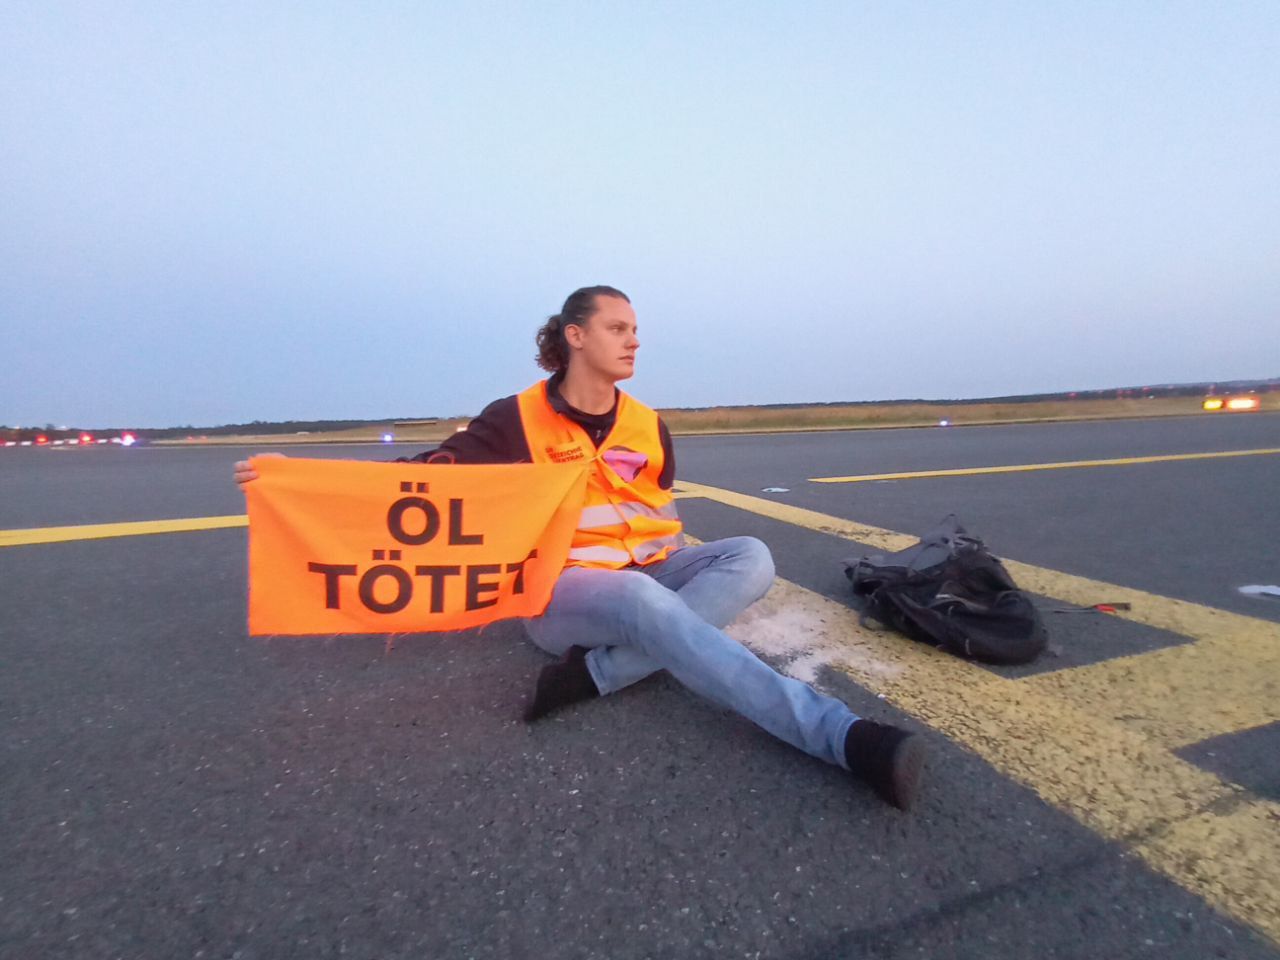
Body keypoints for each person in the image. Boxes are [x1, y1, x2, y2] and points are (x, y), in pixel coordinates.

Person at [234, 285, 926, 810]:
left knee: (751, 555)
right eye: (617, 328)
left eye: (635, 331)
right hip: (563, 594)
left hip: (651, 567)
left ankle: (596, 675)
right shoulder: (516, 418)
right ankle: (837, 737)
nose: (633, 342)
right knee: (638, 597)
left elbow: (659, 506)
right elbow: (428, 478)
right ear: (575, 336)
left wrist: (667, 567)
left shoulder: (648, 423)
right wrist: (298, 485)